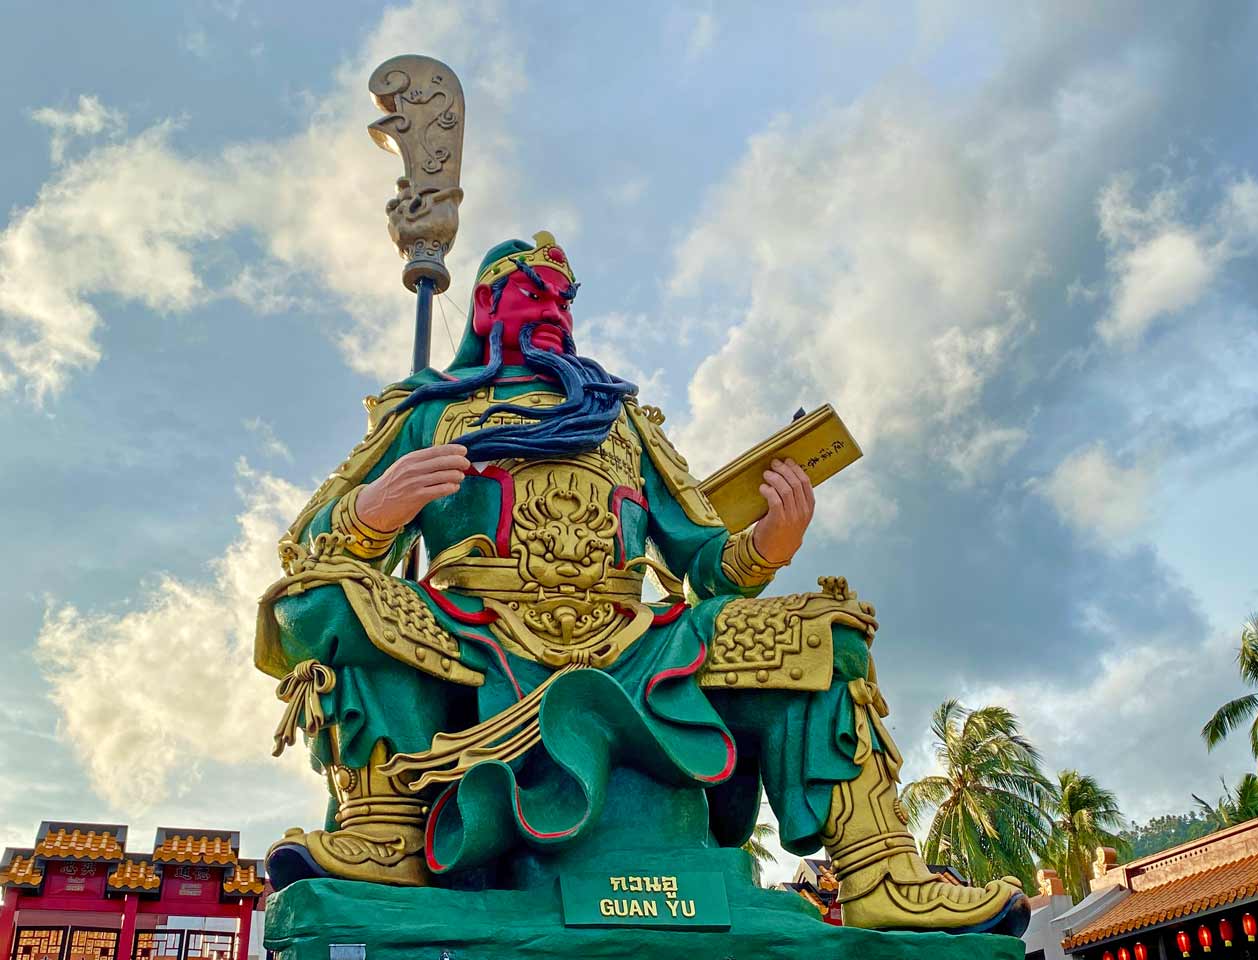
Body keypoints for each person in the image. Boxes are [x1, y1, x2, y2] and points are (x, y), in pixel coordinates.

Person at [256, 231, 1028, 935]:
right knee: (321, 602)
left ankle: (879, 871)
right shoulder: (428, 410)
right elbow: (307, 546)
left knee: (825, 631)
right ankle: (387, 831)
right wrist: (372, 513)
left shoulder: (622, 420)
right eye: (535, 293)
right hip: (473, 631)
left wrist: (769, 541)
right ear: (487, 306)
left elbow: (705, 562)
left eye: (565, 300)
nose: (555, 312)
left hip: (634, 644)